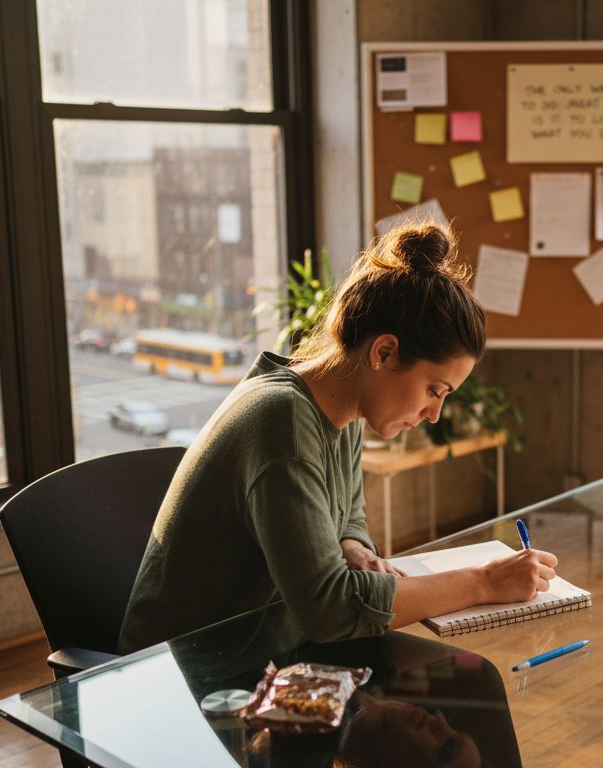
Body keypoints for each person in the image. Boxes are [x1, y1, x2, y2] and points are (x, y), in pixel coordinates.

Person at [119, 223, 559, 653]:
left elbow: (349, 516)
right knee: (455, 690)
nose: (434, 413)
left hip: (268, 645)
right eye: (434, 390)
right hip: (186, 675)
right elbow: (330, 610)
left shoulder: (341, 407)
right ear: (383, 352)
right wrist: (483, 582)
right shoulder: (282, 424)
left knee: (463, 680)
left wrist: (351, 547)